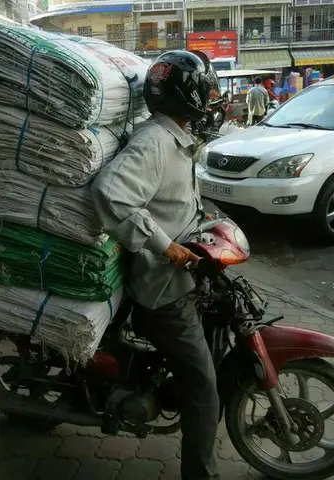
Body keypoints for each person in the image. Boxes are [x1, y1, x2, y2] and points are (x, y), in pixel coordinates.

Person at [91, 50, 220, 480]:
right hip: (163, 289)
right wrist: (165, 246)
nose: (212, 97)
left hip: (180, 275)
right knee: (202, 383)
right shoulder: (155, 143)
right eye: (206, 90)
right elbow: (111, 192)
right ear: (191, 96)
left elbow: (172, 201)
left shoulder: (175, 138)